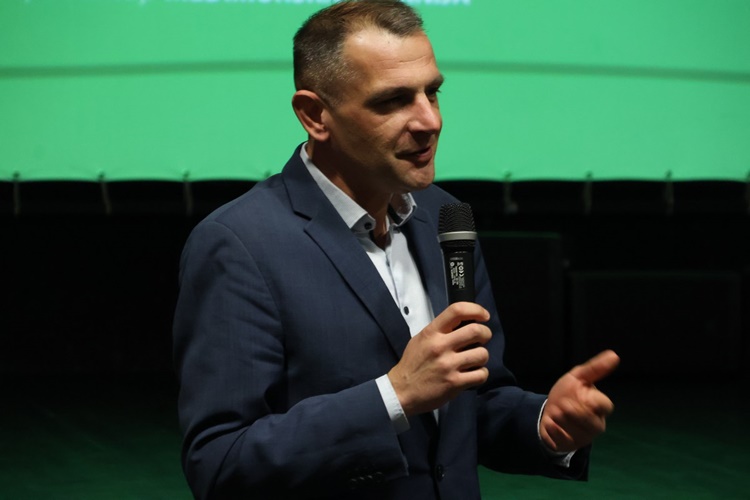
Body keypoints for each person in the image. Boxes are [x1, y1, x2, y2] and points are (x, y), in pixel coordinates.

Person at [173, 1, 620, 499]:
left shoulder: (444, 217)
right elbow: (220, 464)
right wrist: (396, 395)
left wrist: (544, 423)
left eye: (433, 92)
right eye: (393, 101)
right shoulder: (239, 244)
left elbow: (472, 401)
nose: (430, 120)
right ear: (315, 115)